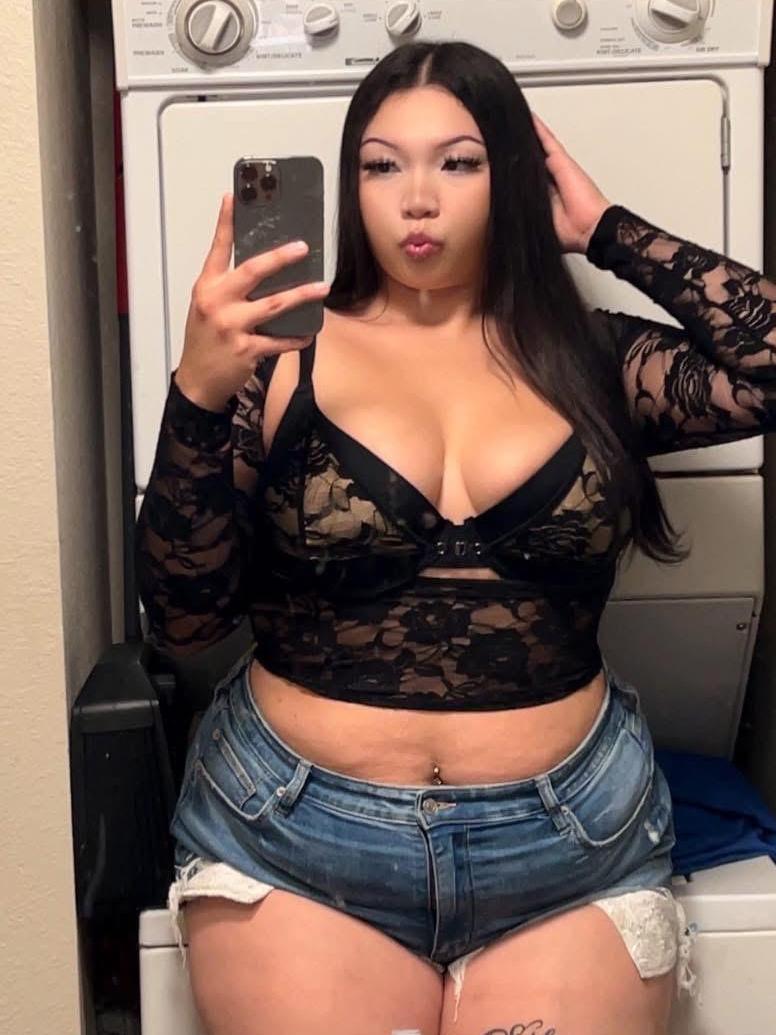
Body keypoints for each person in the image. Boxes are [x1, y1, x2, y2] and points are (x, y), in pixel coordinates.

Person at [136, 38, 775, 1035]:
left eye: (460, 162)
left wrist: (604, 230)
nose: (418, 200)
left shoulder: (591, 358)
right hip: (293, 838)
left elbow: (763, 364)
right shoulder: (277, 359)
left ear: (510, 176)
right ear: (348, 186)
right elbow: (182, 621)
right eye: (381, 165)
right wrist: (197, 393)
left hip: (568, 844)